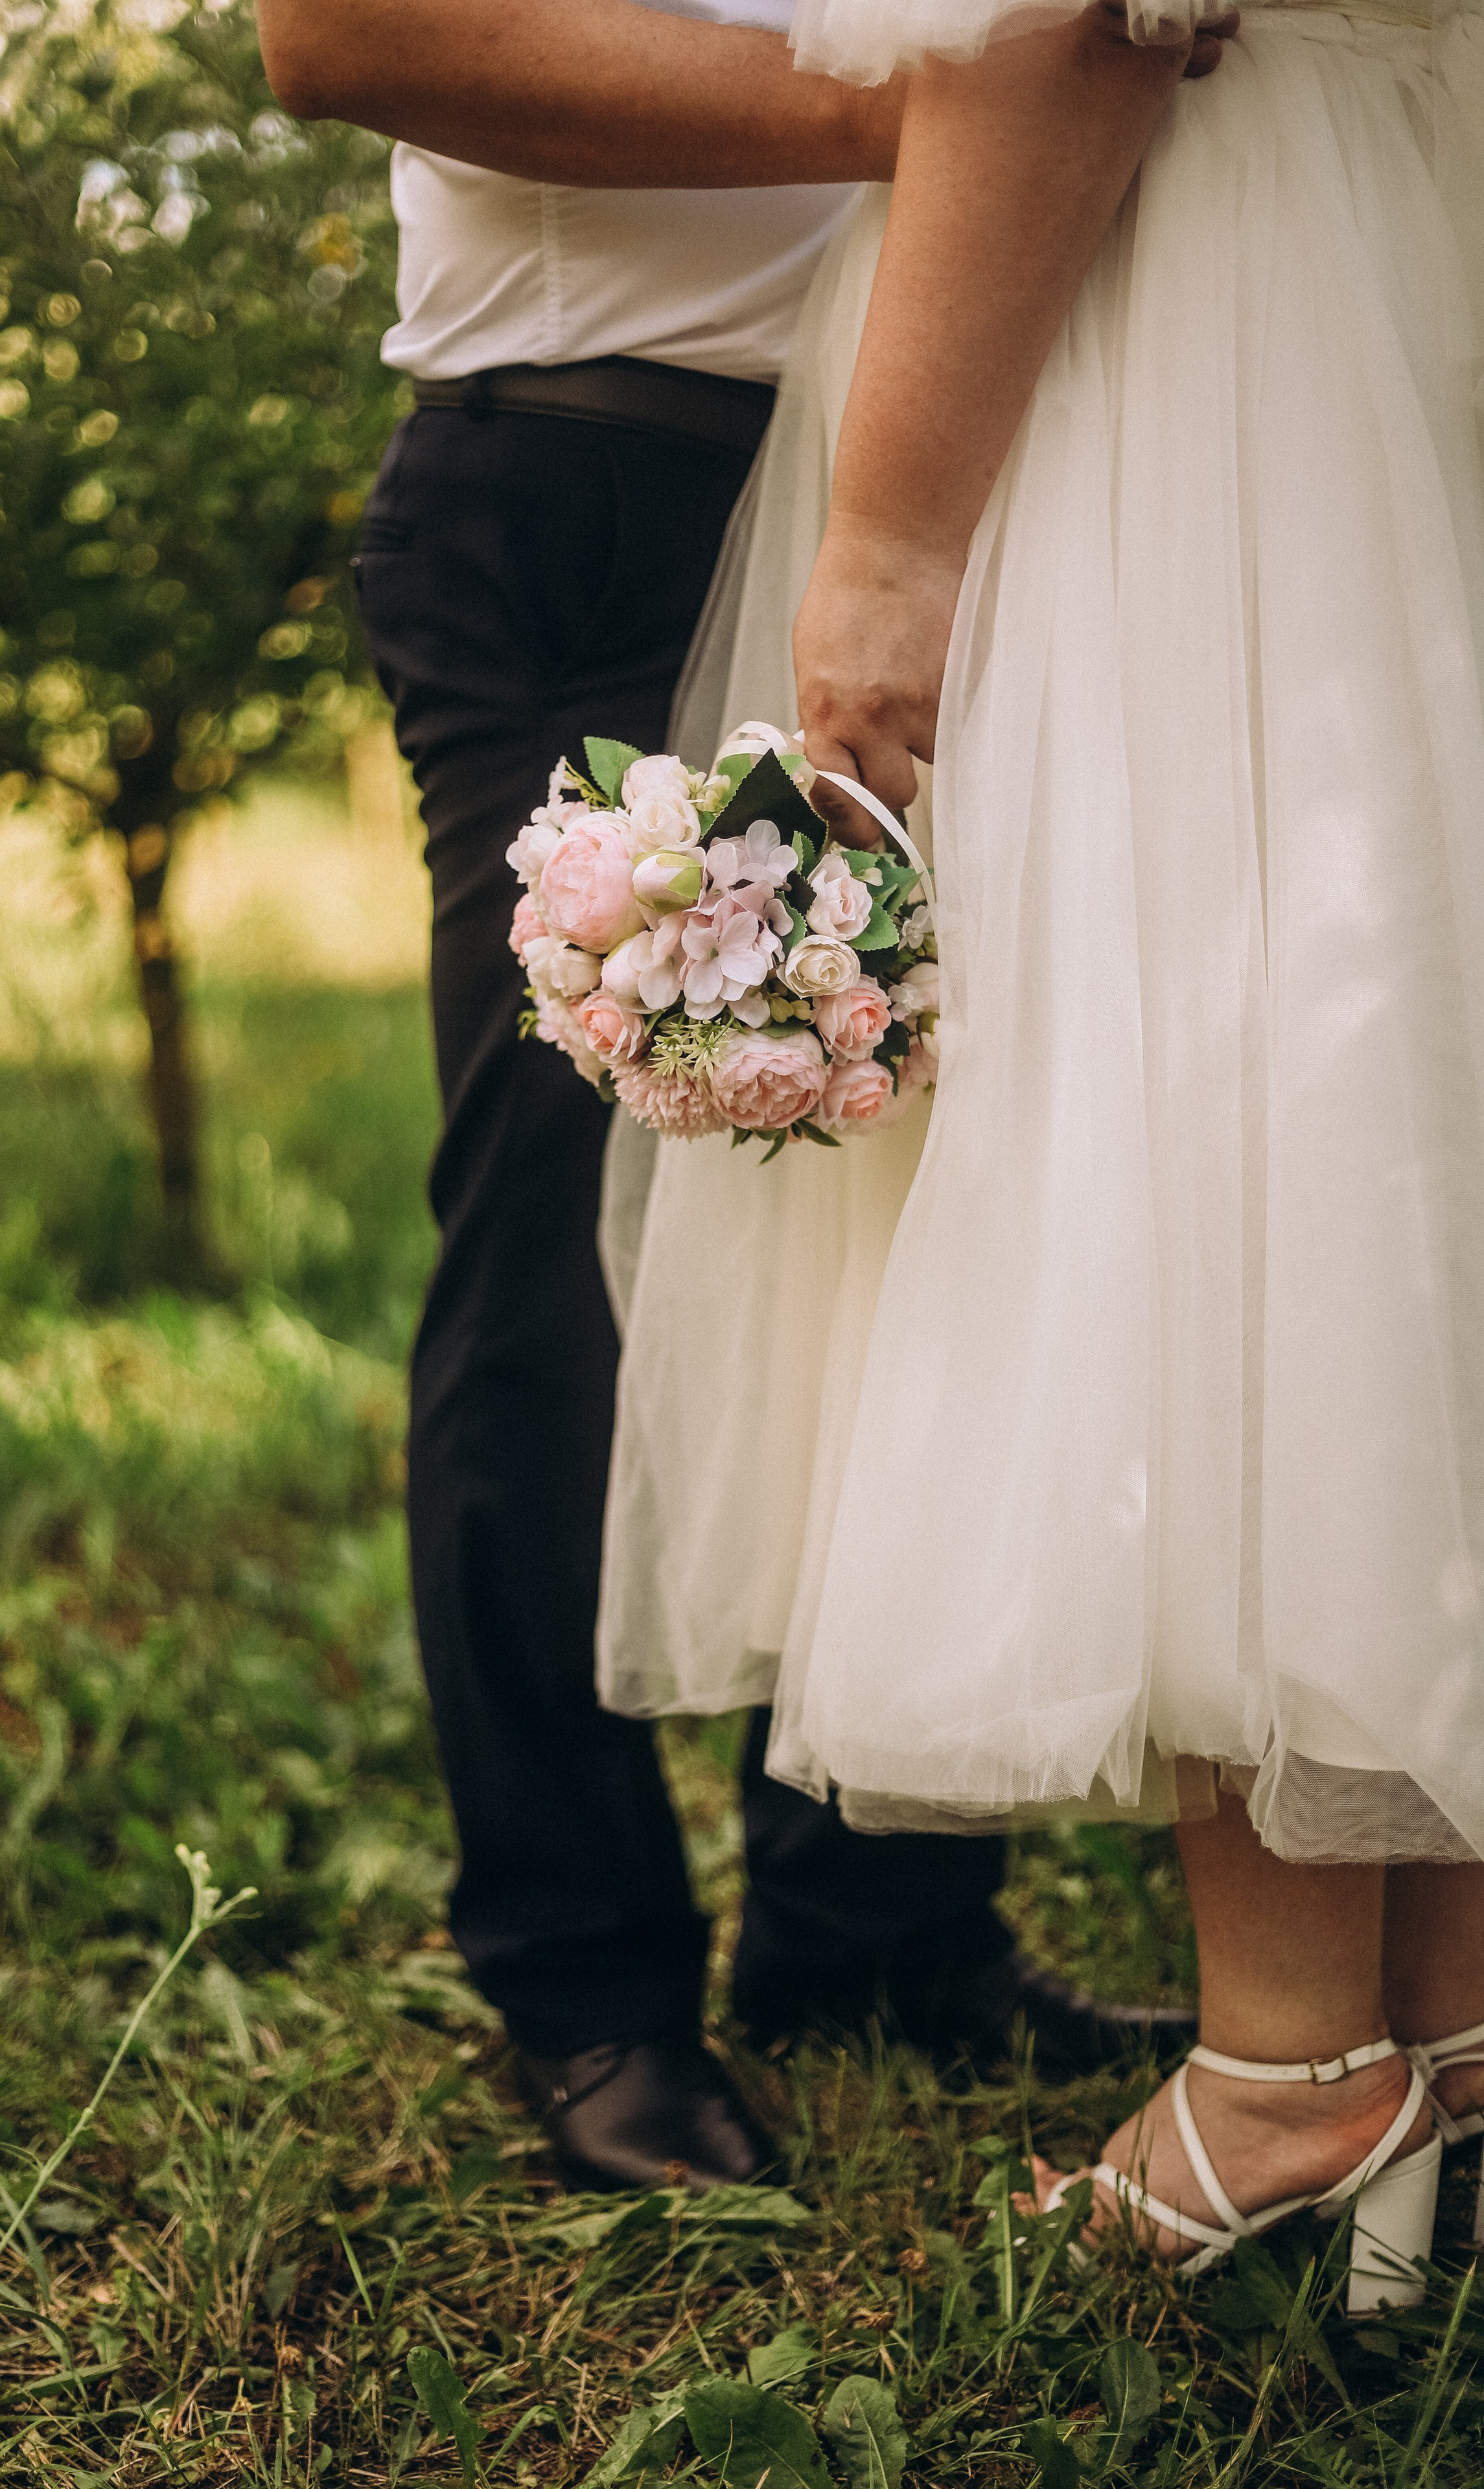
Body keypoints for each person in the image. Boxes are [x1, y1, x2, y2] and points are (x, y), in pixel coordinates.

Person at [255, 0, 1198, 2195]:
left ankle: (876, 1925)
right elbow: (344, 32)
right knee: (562, 1246)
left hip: (971, 454)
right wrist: (971, 108)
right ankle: (584, 1979)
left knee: (903, 1214)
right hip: (605, 473)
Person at [597, 0, 1484, 2290]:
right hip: (1403, 261)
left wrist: (888, 542)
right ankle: (1454, 2024)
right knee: (1406, 1118)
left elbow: (1074, 25)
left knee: (1229, 1103)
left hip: (1192, 326)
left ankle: (1294, 2077)